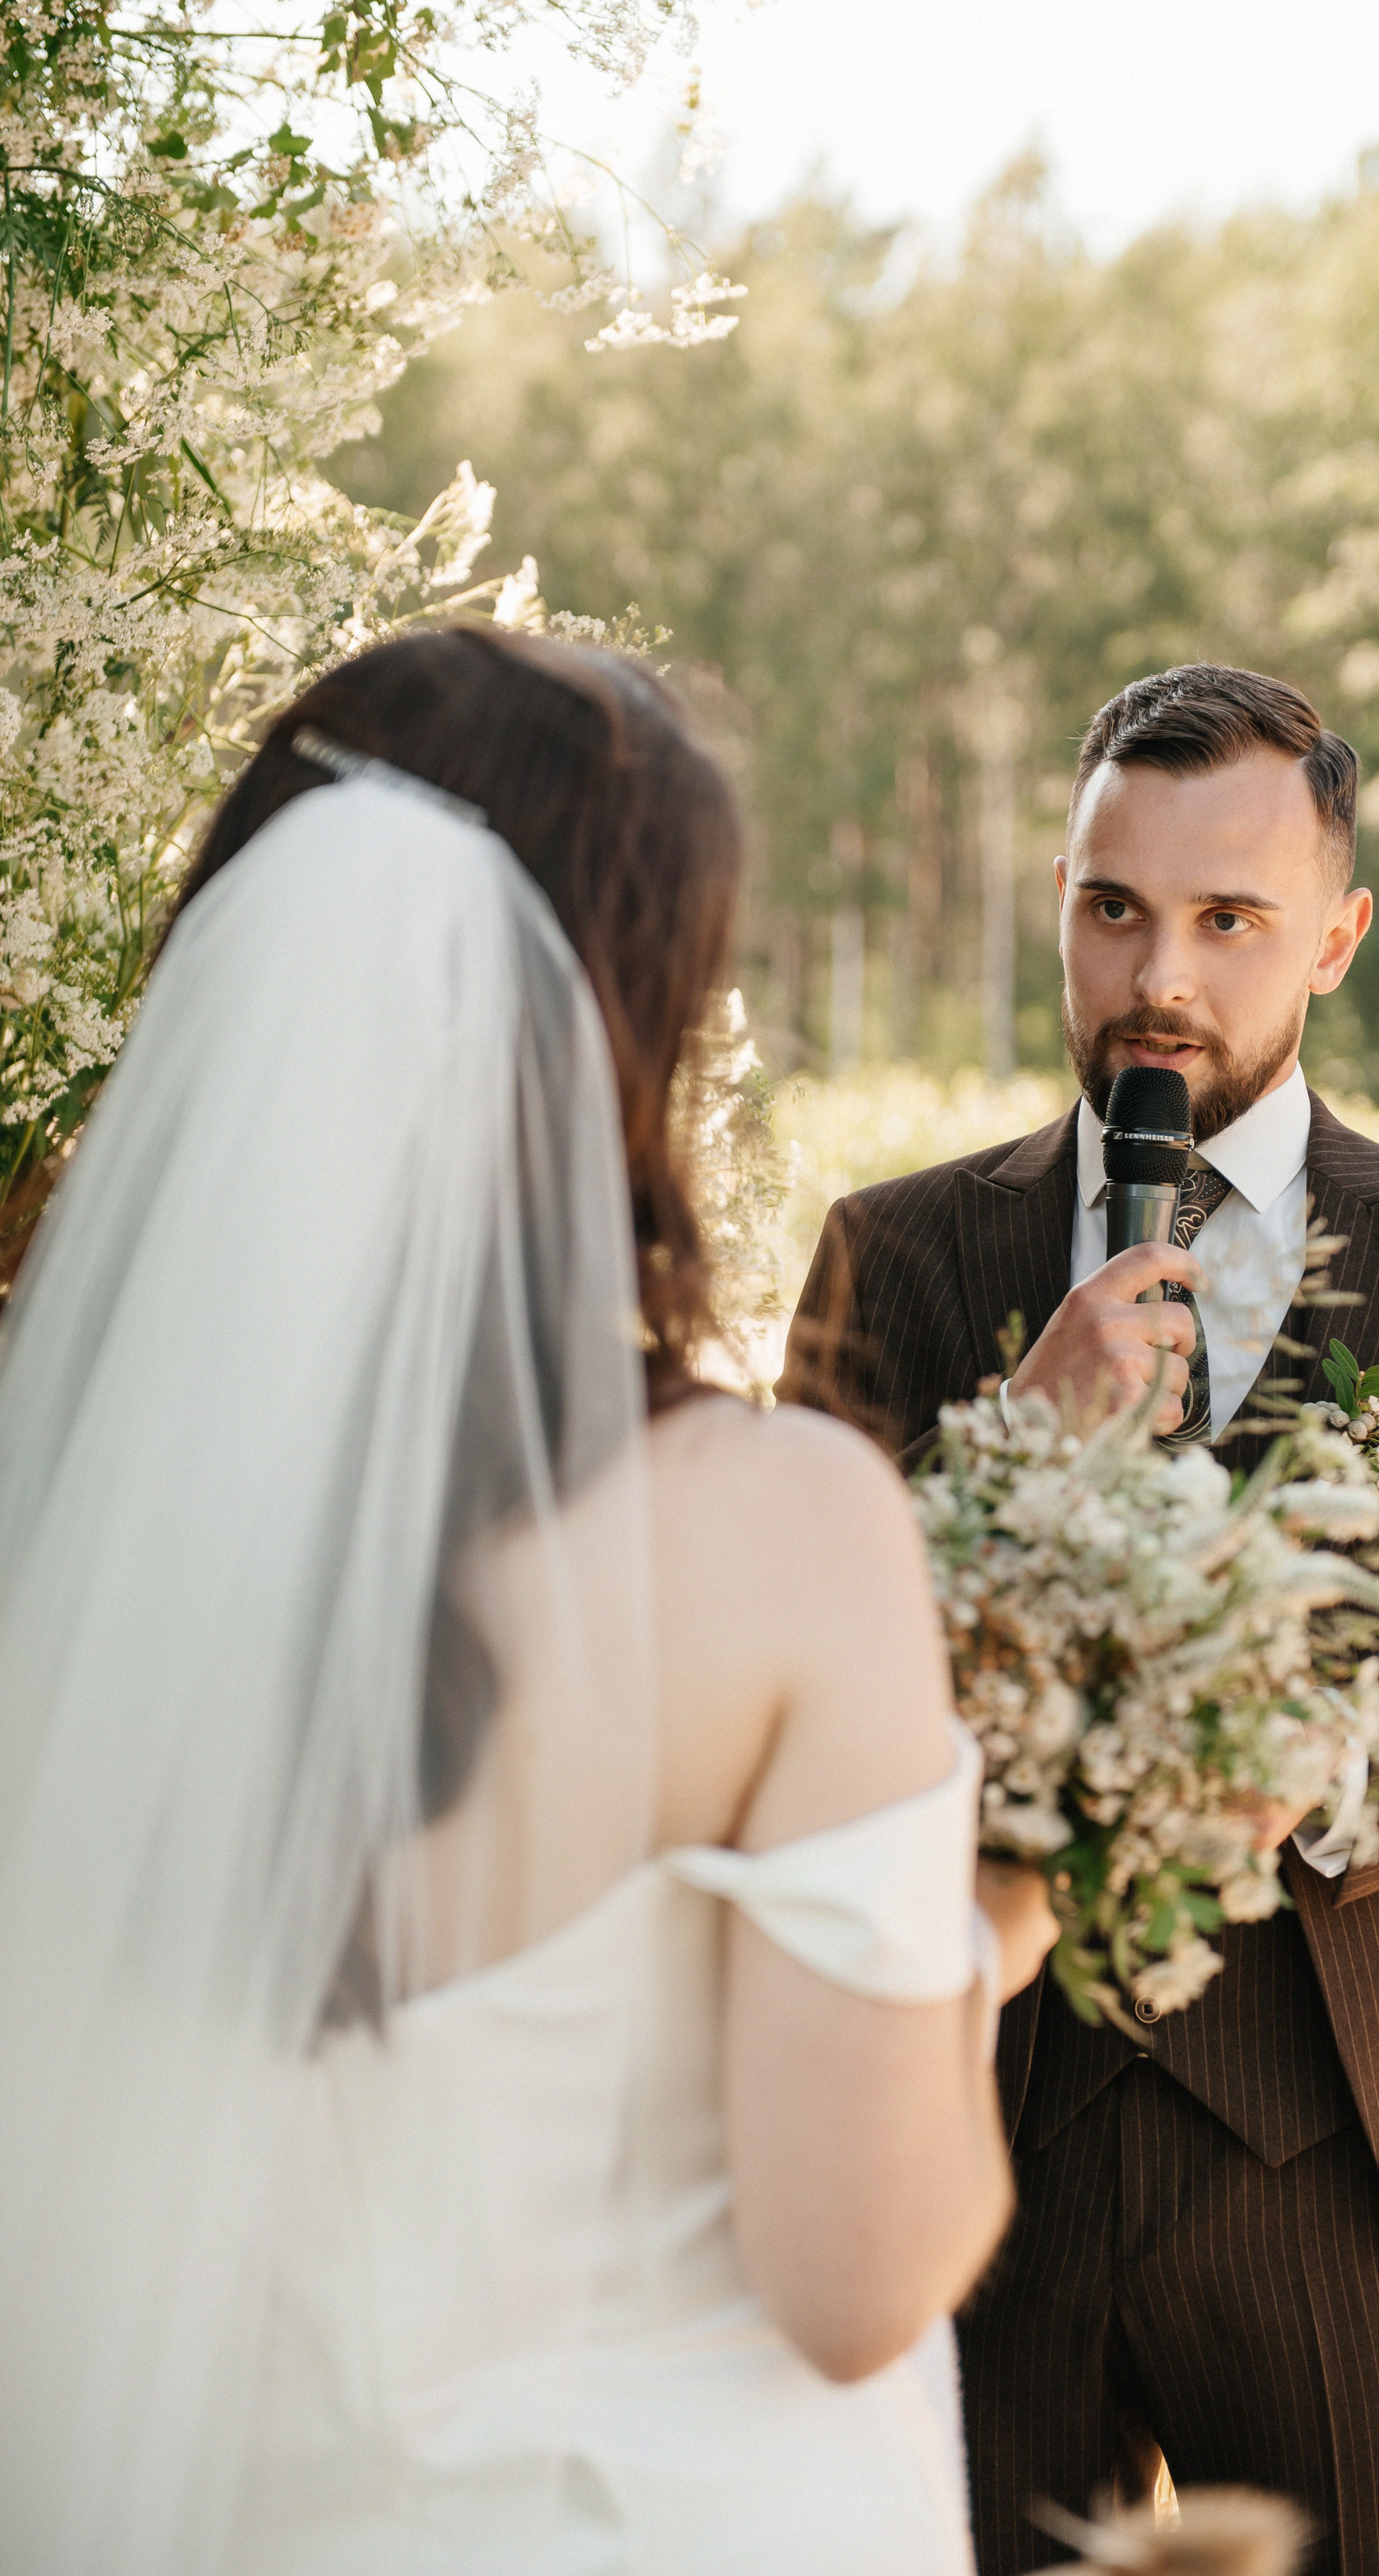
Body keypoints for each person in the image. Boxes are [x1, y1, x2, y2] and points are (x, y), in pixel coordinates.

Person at [0, 627, 1058, 2575]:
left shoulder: (65, 1509)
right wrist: (994, 1917)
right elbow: (856, 2272)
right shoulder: (776, 1530)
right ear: (627, 1037)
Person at [780, 662, 1379, 2576]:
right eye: (1113, 906)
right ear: (1060, 898)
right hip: (973, 2160)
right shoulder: (897, 1256)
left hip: (1361, 2187)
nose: (1160, 978)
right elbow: (781, 1707)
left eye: (1230, 919)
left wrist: (1359, 1773)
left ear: (1340, 936)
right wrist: (1001, 1456)